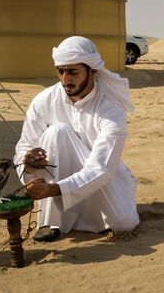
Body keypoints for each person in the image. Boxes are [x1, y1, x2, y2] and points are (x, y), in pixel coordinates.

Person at [14, 36, 140, 242]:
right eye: (60, 71)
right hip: (55, 183)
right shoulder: (44, 100)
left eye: (72, 72)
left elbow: (101, 167)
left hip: (102, 176)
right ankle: (50, 221)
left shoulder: (110, 108)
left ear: (92, 71)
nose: (65, 80)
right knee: (57, 132)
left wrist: (53, 189)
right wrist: (27, 165)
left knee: (123, 224)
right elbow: (25, 145)